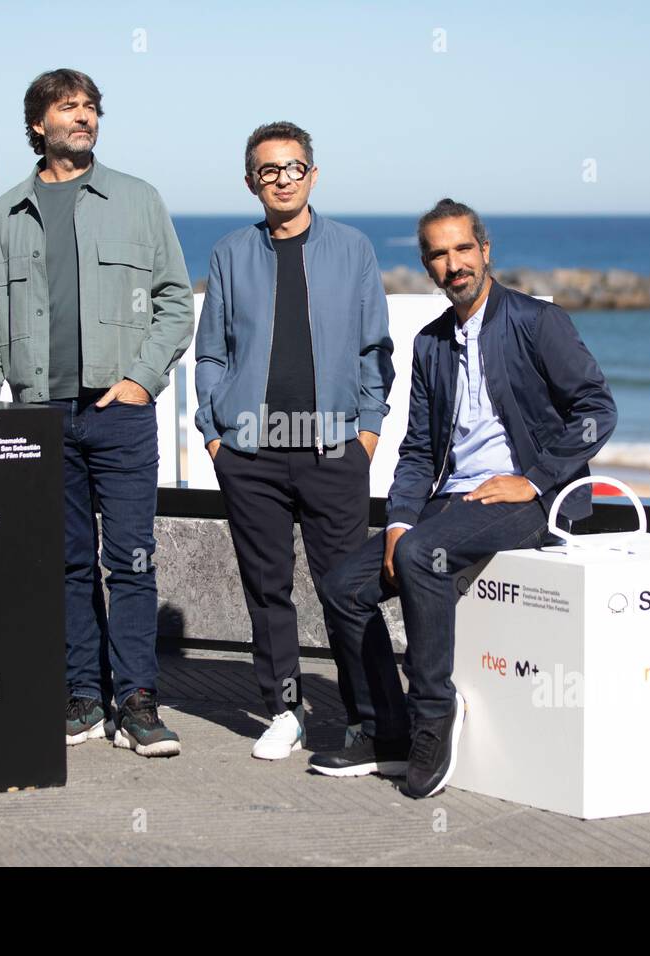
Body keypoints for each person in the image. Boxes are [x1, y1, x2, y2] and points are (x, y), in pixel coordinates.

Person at [308, 199, 617, 798]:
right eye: (439, 255)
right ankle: (388, 733)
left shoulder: (535, 322)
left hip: (534, 501)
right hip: (452, 503)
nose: (454, 265)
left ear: (485, 250)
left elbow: (597, 410)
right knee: (343, 587)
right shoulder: (429, 344)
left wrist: (535, 479)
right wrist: (397, 522)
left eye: (462, 249)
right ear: (427, 266)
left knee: (423, 556)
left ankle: (433, 714)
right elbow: (419, 450)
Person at [0, 68, 195, 758]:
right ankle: (84, 698)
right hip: (38, 416)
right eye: (69, 108)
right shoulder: (3, 216)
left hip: (118, 412)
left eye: (91, 108)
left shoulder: (137, 199)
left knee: (131, 559)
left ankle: (138, 700)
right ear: (38, 124)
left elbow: (175, 301)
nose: (84, 117)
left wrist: (140, 381)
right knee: (63, 564)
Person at [194, 122, 394, 760]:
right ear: (251, 181)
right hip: (249, 452)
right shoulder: (230, 253)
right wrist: (215, 434)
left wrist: (366, 431)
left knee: (347, 586)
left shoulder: (353, 248)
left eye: (293, 167)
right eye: (268, 170)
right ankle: (284, 708)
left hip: (333, 449)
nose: (282, 178)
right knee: (266, 586)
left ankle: (368, 717)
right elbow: (212, 352)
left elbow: (374, 349)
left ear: (313, 174)